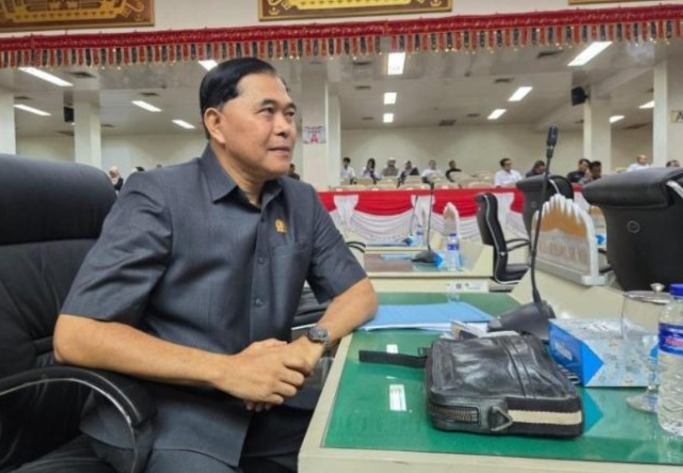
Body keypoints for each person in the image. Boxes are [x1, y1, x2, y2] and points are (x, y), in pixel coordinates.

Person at [53, 57, 378, 473]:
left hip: (266, 405)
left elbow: (359, 293)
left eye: (289, 114)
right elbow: (76, 335)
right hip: (164, 414)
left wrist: (309, 346)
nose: (286, 128)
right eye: (267, 112)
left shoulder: (300, 200)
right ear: (216, 124)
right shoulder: (157, 196)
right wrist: (229, 371)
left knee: (363, 445)